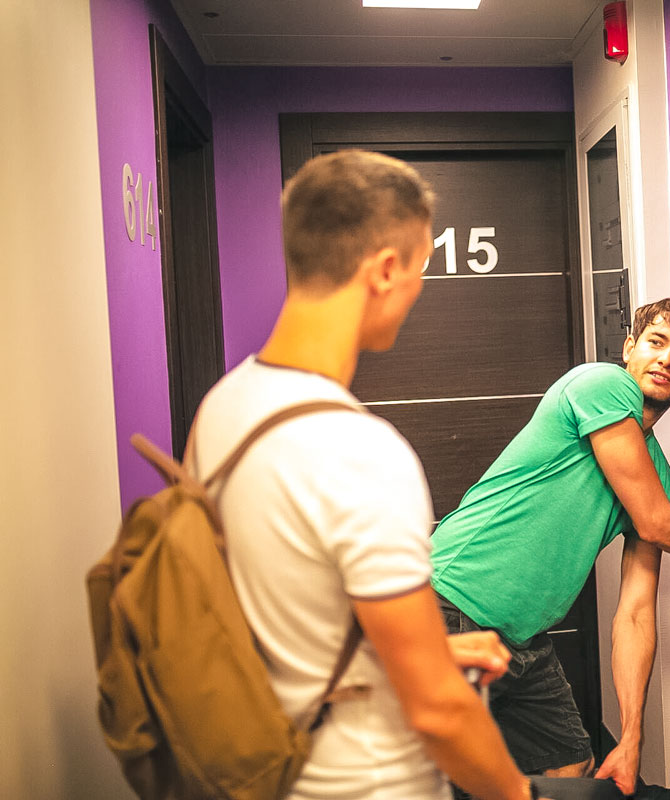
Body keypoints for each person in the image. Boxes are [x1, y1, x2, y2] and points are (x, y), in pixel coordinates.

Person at [190, 150, 536, 800]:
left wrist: (437, 650)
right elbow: (437, 711)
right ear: (383, 270)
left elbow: (288, 607)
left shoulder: (225, 406)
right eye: (421, 269)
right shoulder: (359, 452)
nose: (419, 291)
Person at [431, 297, 670, 796]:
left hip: (524, 641)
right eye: (656, 342)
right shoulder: (599, 384)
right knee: (431, 780)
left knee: (570, 768)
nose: (665, 359)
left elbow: (635, 613)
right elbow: (657, 524)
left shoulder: (659, 479)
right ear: (629, 347)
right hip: (450, 606)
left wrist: (633, 734)